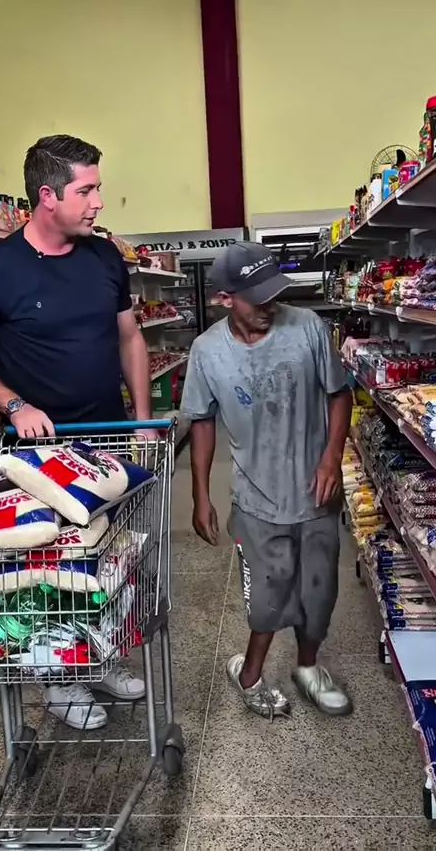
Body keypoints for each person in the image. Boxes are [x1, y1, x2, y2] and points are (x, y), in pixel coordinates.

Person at [0, 134, 159, 730]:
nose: (99, 202)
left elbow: (130, 337)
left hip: (109, 441)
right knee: (50, 571)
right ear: (48, 196)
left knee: (112, 561)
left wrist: (141, 418)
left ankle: (99, 656)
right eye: (86, 190)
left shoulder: (105, 257)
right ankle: (57, 679)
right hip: (38, 453)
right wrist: (12, 403)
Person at [181, 241, 353, 720]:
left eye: (274, 294)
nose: (269, 306)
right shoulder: (207, 352)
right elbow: (201, 422)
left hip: (316, 494)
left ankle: (308, 667)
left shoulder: (308, 327)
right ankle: (250, 675)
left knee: (318, 593)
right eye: (257, 298)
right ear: (225, 299)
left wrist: (331, 457)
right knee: (268, 596)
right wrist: (200, 496)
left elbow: (339, 394)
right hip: (255, 499)